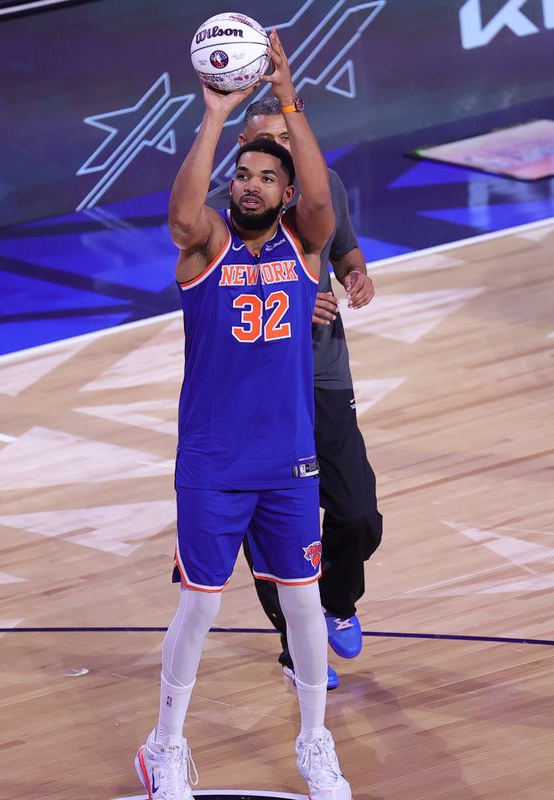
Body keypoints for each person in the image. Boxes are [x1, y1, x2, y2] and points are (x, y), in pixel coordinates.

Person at [133, 32, 350, 800]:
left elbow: (322, 200)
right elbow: (181, 209)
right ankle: (164, 747)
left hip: (288, 459)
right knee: (198, 607)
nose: (249, 185)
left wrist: (289, 101)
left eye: (265, 178)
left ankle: (316, 744)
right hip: (214, 464)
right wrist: (217, 117)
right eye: (243, 176)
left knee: (304, 605)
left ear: (285, 196)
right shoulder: (205, 249)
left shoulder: (305, 246)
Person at [206, 98, 382, 690]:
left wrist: (356, 273)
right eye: (267, 142)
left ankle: (336, 600)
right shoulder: (218, 215)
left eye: (287, 138)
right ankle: (295, 650)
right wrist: (300, 302)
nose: (280, 150)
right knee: (272, 531)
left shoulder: (321, 185)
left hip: (323, 375)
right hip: (252, 390)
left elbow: (343, 249)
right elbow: (214, 303)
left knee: (357, 513)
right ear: (241, 149)